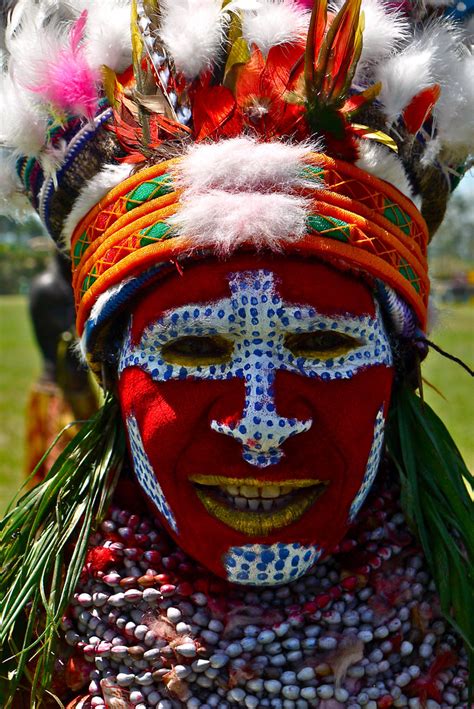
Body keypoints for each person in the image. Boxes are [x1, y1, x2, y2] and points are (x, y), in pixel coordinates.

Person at [0, 0, 472, 707]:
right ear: (112, 374)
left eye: (321, 342)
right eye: (193, 348)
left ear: (395, 373)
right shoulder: (28, 654)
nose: (261, 423)